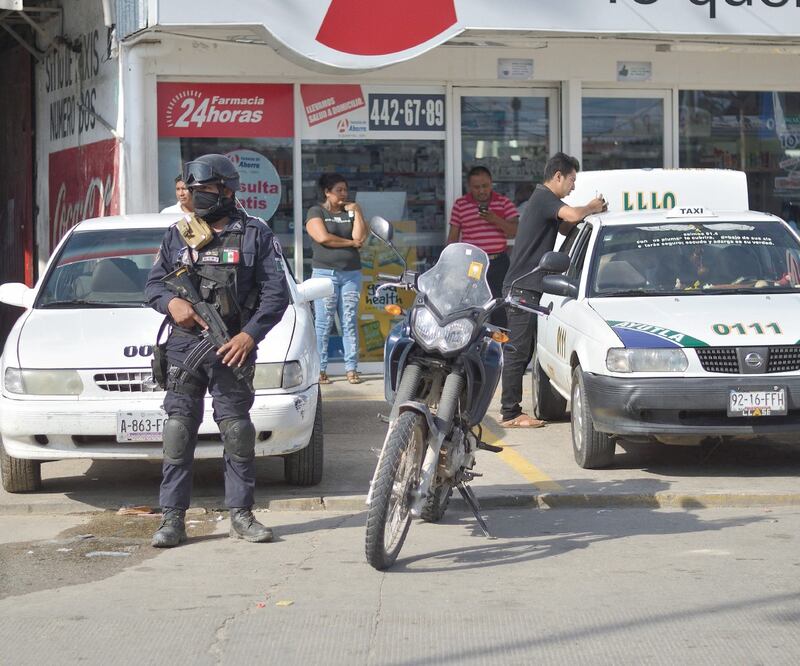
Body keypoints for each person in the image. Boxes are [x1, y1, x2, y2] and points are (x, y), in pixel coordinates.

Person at [145, 154, 290, 547]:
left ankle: (241, 515)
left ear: (227, 191)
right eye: (193, 191)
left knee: (237, 432)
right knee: (178, 431)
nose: (197, 197)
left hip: (232, 348)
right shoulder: (179, 233)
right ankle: (172, 519)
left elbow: (276, 295)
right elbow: (154, 285)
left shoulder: (255, 235)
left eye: (205, 190)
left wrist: (250, 336)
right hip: (184, 346)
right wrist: (172, 304)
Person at [500, 152, 606, 428]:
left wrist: (587, 214)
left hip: (527, 286)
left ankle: (512, 411)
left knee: (524, 350)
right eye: (571, 180)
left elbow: (565, 227)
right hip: (523, 286)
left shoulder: (545, 201)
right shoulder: (544, 197)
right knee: (517, 351)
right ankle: (510, 413)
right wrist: (591, 206)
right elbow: (571, 214)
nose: (573, 186)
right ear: (558, 176)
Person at [306, 173, 368, 385]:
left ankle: (351, 369)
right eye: (339, 190)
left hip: (351, 274)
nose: (344, 194)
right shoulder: (316, 211)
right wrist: (350, 243)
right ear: (327, 192)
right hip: (325, 275)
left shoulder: (350, 212)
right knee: (324, 323)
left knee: (349, 321)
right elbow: (323, 238)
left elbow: (360, 237)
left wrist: (357, 211)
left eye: (345, 190)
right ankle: (320, 369)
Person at [447, 166, 519, 328]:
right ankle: (471, 340)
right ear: (469, 187)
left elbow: (515, 232)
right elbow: (453, 238)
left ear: (491, 183)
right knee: (472, 304)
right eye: (476, 187)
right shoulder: (461, 205)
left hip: (498, 262)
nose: (481, 191)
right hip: (473, 264)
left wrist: (495, 219)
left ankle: (500, 341)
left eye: (485, 186)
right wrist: (451, 264)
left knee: (499, 306)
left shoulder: (503, 203)